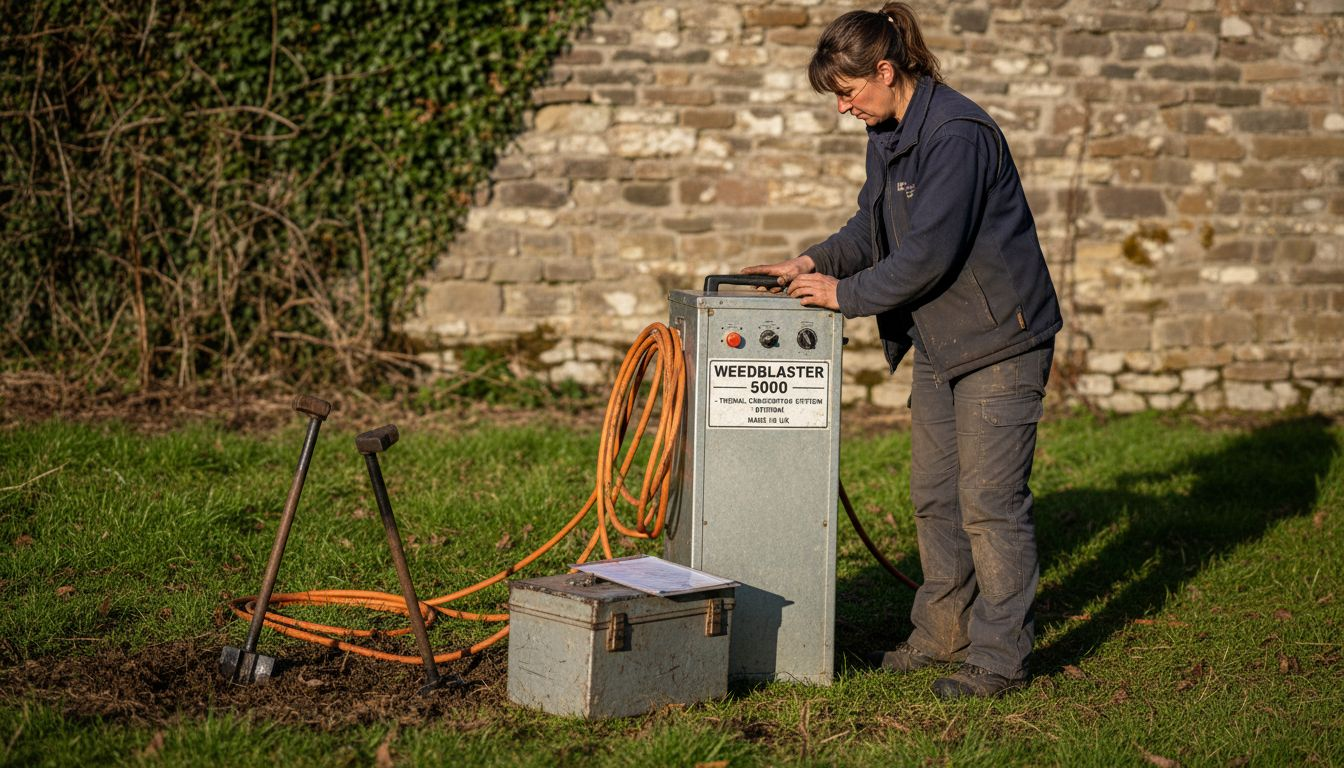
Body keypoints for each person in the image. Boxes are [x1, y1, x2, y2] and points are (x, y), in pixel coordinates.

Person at [741, 2, 1062, 699]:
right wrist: (810, 261)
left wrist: (843, 296)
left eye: (849, 94)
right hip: (944, 341)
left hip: (1001, 339)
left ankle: (1000, 659)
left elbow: (927, 255)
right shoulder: (889, 130)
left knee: (989, 503)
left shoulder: (957, 135)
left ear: (885, 71)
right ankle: (943, 632)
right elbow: (873, 225)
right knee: (934, 499)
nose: (844, 110)